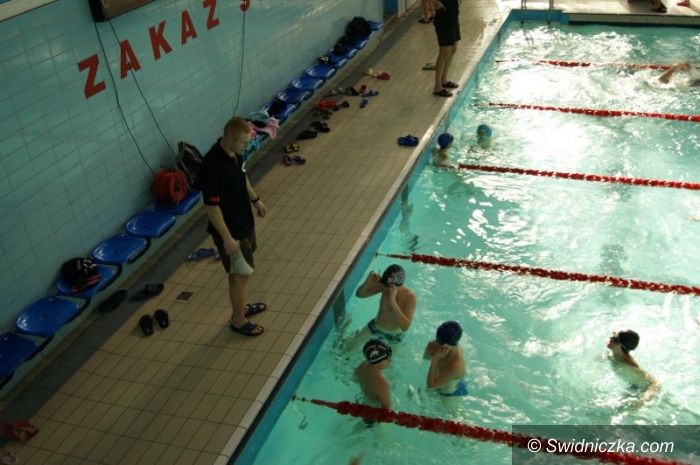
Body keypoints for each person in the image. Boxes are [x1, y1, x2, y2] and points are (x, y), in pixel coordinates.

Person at [200, 117, 268, 336]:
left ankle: (241, 307)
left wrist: (255, 199)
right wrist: (227, 238)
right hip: (231, 231)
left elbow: (242, 176)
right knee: (240, 274)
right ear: (230, 138)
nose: (246, 147)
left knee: (243, 270)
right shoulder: (213, 166)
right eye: (243, 143)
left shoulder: (234, 154)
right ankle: (238, 320)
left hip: (243, 222)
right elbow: (211, 207)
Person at [354, 265, 417, 343]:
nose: (386, 288)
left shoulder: (409, 296)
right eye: (385, 285)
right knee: (348, 346)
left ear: (396, 285)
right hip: (374, 327)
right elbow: (359, 295)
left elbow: (405, 327)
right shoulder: (385, 286)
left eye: (388, 286)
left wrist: (392, 301)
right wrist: (367, 282)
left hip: (393, 336)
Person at [606, 330, 660, 408]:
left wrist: (643, 400)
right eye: (613, 334)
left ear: (621, 346)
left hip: (643, 388)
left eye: (615, 338)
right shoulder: (611, 353)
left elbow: (654, 382)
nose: (610, 337)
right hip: (632, 385)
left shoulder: (627, 361)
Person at [424, 321, 467, 396]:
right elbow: (425, 359)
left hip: (451, 394)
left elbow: (431, 387)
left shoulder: (456, 365)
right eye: (437, 340)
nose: (436, 343)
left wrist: (435, 360)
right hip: (441, 379)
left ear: (447, 345)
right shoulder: (434, 344)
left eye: (439, 342)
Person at [430, 0, 461, 97]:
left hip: (453, 16)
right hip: (443, 18)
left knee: (453, 48)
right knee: (445, 51)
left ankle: (444, 80)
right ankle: (437, 87)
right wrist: (436, 2)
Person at [354, 339, 393, 411]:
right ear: (379, 361)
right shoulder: (382, 383)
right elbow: (387, 410)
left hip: (364, 403)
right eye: (388, 358)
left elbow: (355, 379)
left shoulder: (362, 366)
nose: (390, 360)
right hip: (373, 411)